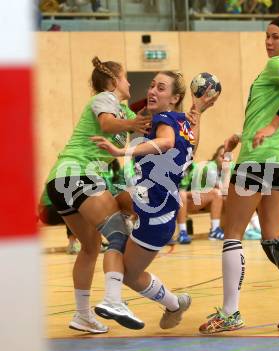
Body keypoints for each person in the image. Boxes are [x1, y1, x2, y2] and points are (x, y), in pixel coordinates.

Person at [199, 16, 279, 334]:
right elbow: (271, 106)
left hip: (257, 161)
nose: (269, 42)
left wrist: (273, 126)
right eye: (266, 36)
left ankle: (229, 313)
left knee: (233, 233)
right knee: (273, 240)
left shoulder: (278, 63)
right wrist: (242, 134)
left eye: (275, 37)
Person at [92, 71, 218, 330]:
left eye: (161, 88)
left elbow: (167, 141)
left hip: (156, 215)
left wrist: (121, 150)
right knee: (114, 208)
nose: (152, 91)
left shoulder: (163, 119)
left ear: (174, 98)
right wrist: (198, 112)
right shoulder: (181, 120)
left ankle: (174, 304)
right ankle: (167, 303)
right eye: (151, 85)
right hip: (156, 208)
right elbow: (191, 147)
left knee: (129, 274)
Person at [44, 56, 152, 334]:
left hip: (62, 181)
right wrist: (131, 125)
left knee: (91, 247)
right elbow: (107, 124)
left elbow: (145, 118)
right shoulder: (104, 99)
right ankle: (113, 300)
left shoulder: (125, 111)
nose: (130, 83)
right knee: (118, 233)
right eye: (126, 78)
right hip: (76, 174)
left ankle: (82, 315)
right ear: (115, 81)